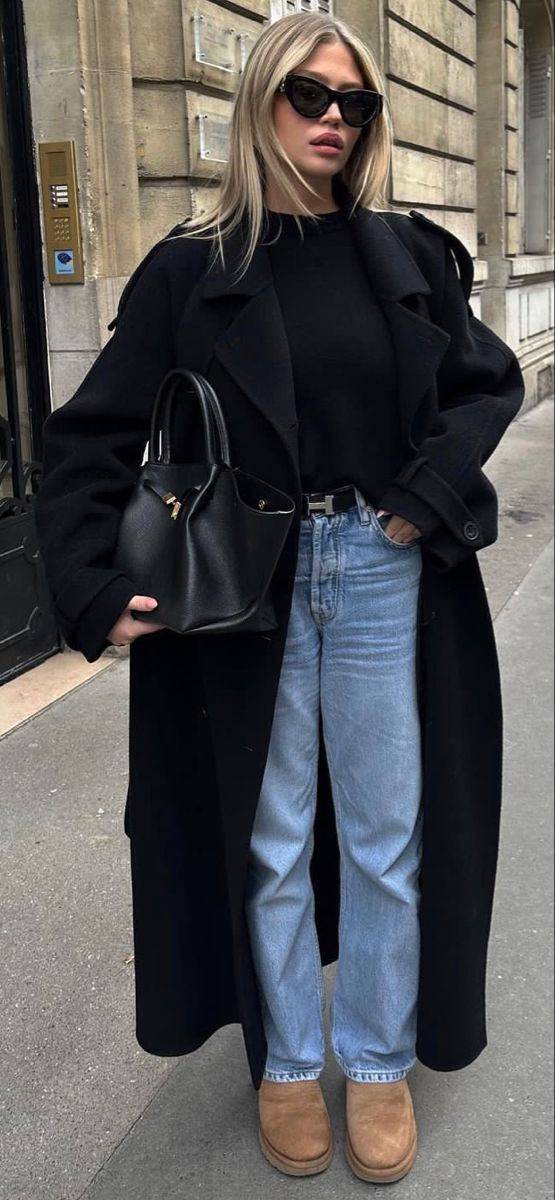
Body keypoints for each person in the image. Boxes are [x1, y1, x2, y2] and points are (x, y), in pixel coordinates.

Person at [33, 11, 525, 1186]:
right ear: (261, 100)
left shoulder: (407, 252)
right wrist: (95, 586)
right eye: (310, 95)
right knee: (268, 838)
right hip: (247, 586)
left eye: (355, 103)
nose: (334, 119)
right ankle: (291, 1063)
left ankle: (379, 1060)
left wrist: (422, 494)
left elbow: (487, 384)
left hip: (382, 571)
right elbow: (88, 436)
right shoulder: (190, 269)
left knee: (389, 837)